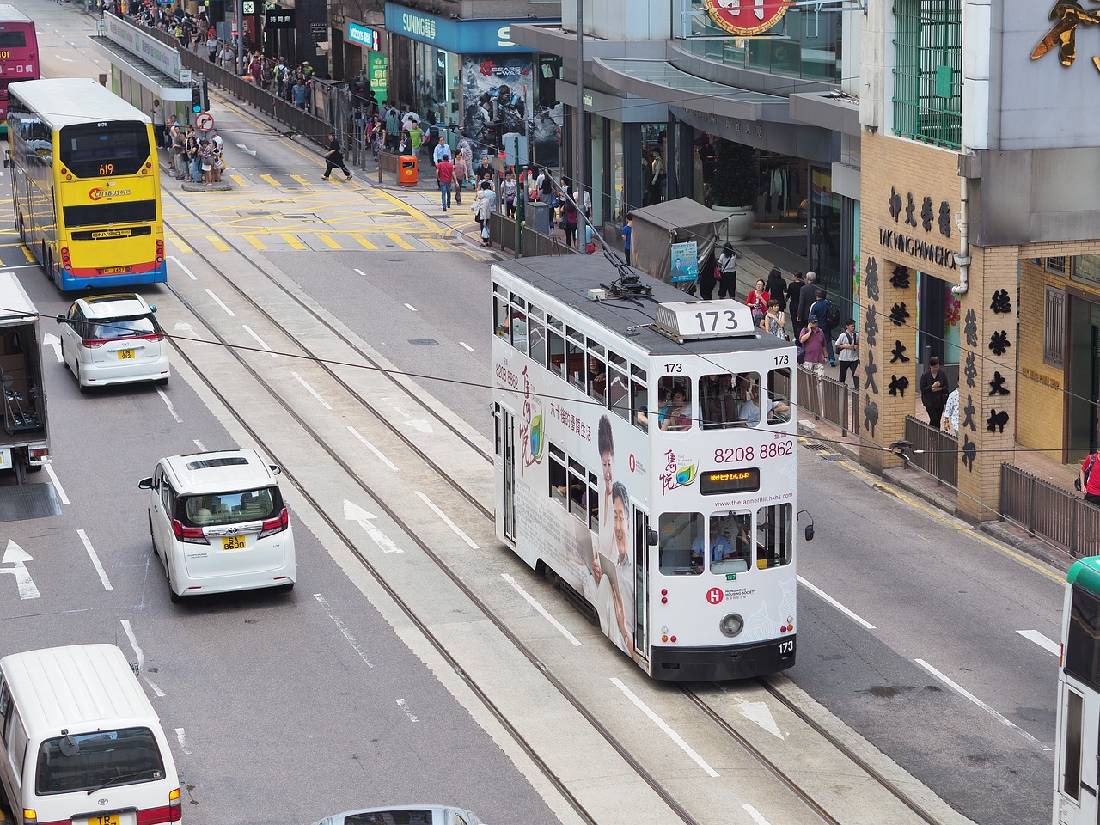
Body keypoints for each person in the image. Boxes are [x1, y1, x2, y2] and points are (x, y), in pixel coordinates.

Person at [808, 286, 838, 366]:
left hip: (818, 327)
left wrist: (811, 327)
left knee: (817, 342)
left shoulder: (815, 306)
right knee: (828, 342)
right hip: (827, 325)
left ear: (816, 296)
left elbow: (811, 318)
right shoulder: (828, 303)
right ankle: (831, 359)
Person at [919, 357, 951, 428]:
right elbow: (923, 389)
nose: (936, 368)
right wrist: (931, 387)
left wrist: (938, 388)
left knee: (937, 420)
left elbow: (946, 387)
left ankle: (934, 435)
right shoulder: (925, 375)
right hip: (929, 402)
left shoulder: (942, 374)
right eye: (934, 367)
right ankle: (933, 434)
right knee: (934, 419)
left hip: (940, 402)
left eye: (937, 366)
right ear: (931, 366)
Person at [834, 319, 859, 389]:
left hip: (854, 358)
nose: (853, 328)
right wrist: (845, 346)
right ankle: (841, 388)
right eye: (852, 326)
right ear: (847, 326)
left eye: (854, 326)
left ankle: (857, 388)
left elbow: (858, 344)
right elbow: (836, 344)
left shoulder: (856, 335)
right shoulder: (843, 335)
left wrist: (856, 346)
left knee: (856, 374)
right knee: (842, 374)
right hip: (844, 358)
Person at [795, 271, 818, 338]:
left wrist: (799, 315)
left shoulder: (803, 289)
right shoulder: (817, 289)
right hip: (815, 315)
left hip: (805, 315)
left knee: (805, 331)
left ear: (807, 278)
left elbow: (801, 303)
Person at [477, 181, 496, 246]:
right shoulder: (493, 193)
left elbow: (482, 207)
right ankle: (490, 240)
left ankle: (485, 241)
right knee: (490, 226)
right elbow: (495, 202)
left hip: (484, 214)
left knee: (484, 227)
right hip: (493, 211)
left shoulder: (483, 194)